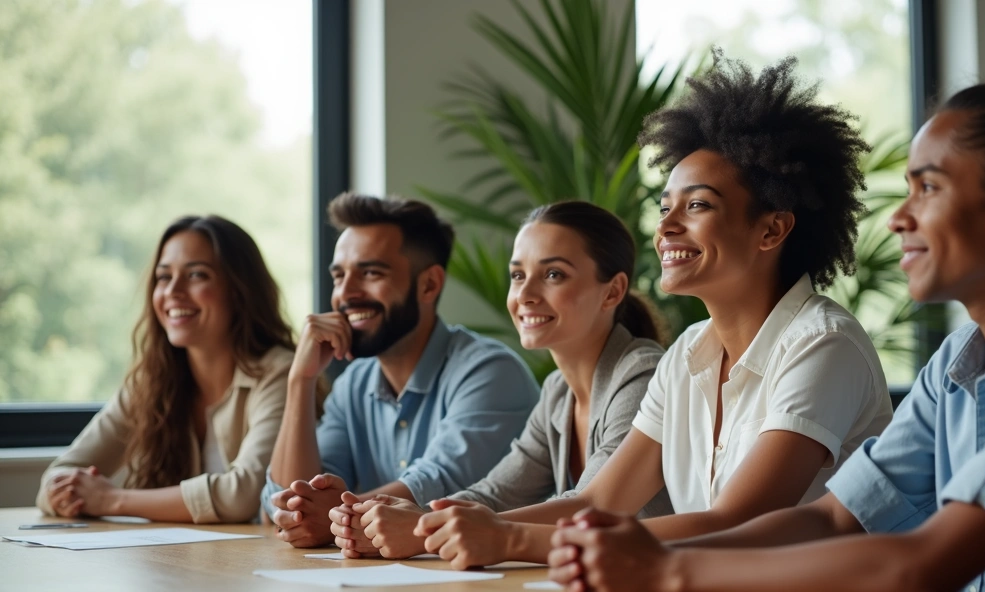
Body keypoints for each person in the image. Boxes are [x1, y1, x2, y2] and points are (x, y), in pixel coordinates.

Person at [547, 11, 985, 592]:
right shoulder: (955, 368)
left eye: (927, 187)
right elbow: (835, 517)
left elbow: (921, 566)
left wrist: (667, 570)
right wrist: (638, 551)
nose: (899, 216)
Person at [405, 52, 892, 569]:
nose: (665, 227)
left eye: (697, 205)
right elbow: (597, 502)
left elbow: (738, 524)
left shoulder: (823, 343)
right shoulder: (685, 355)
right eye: (665, 208)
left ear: (771, 229)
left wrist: (509, 540)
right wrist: (443, 530)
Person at [331, 201, 674, 559]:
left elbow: (594, 507)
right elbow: (494, 494)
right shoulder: (559, 392)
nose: (525, 295)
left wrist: (424, 532)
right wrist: (408, 517)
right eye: (517, 275)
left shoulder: (643, 374)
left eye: (553, 274)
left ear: (613, 291)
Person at [263, 193, 539, 548]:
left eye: (371, 273)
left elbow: (434, 485)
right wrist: (300, 381)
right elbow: (293, 503)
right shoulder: (353, 386)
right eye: (339, 276)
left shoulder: (489, 373)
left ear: (429, 284)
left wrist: (330, 520)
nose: (345, 294)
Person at [36, 215, 300, 523]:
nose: (173, 291)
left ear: (239, 290)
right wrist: (65, 494)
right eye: (163, 277)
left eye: (197, 275)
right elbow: (55, 477)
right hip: (175, 563)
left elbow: (244, 495)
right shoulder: (152, 381)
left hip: (258, 564)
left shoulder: (279, 373)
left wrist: (112, 500)